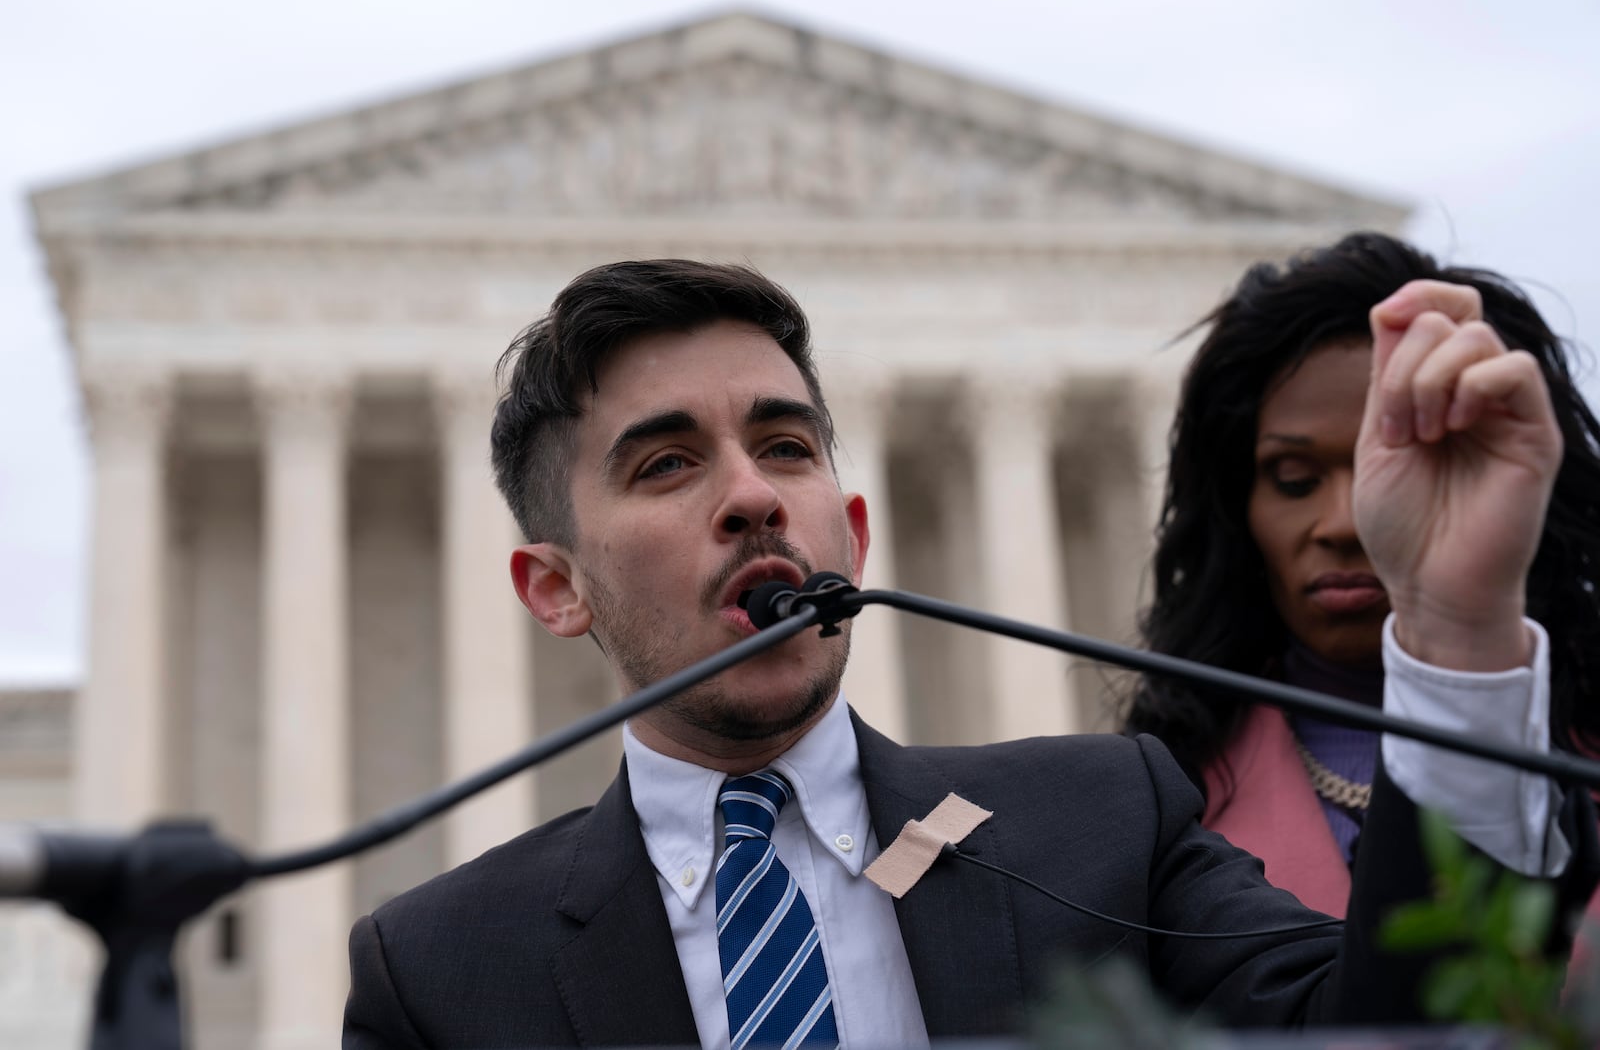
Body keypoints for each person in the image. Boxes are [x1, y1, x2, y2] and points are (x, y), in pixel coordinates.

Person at [344, 258, 1593, 1049]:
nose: (751, 496)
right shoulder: (443, 971)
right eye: (666, 463)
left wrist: (1451, 619)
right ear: (554, 588)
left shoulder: (1103, 820)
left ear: (855, 531)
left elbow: (1417, 1030)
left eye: (786, 447)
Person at [1123, 231, 1600, 919]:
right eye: (1294, 479)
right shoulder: (1161, 808)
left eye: (1414, 464)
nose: (1348, 522)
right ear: (1235, 512)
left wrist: (1463, 624)